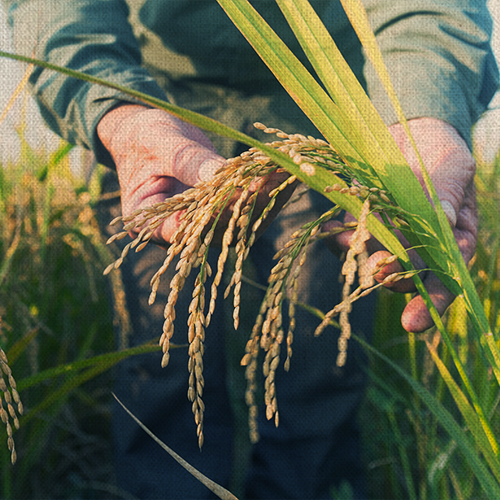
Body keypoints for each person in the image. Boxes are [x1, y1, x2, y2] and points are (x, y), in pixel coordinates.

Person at [4, 1, 498, 498]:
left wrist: (426, 117)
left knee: (317, 352)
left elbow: (427, 7)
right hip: (151, 102)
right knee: (159, 354)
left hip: (325, 108)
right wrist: (113, 106)